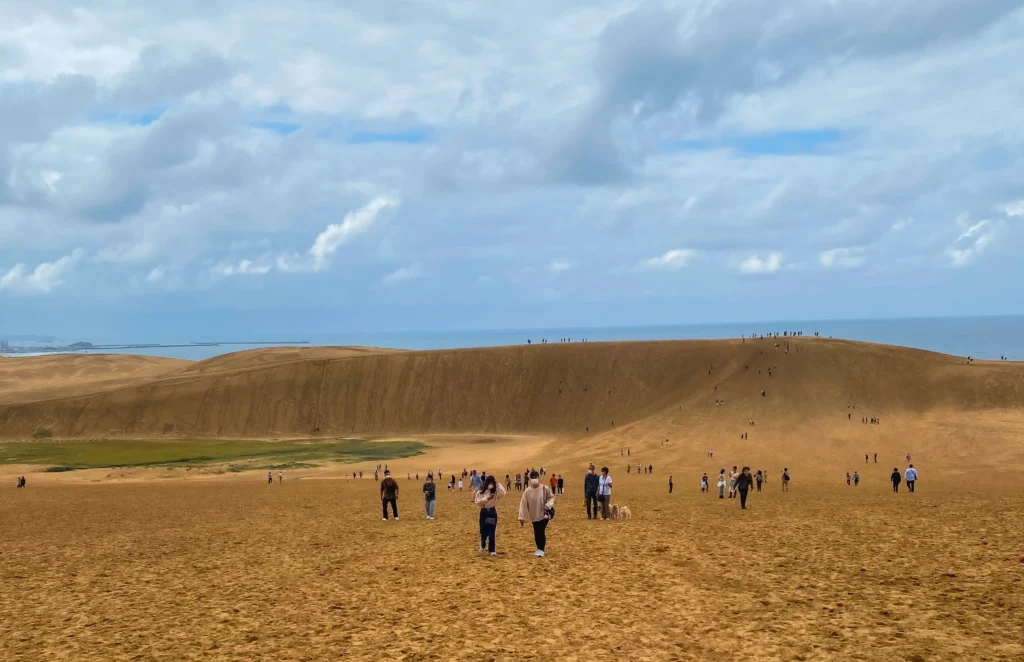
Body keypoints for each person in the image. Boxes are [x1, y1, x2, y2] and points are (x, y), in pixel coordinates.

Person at [519, 471, 555, 557]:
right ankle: (538, 548)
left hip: (544, 515)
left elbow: (551, 497)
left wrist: (548, 505)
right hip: (534, 515)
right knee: (536, 531)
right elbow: (523, 504)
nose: (534, 479)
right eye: (532, 477)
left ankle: (541, 549)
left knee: (540, 530)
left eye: (535, 477)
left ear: (538, 477)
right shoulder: (527, 491)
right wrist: (521, 517)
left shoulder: (544, 488)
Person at [475, 475, 506, 556]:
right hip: (484, 512)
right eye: (490, 483)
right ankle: (482, 545)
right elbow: (478, 502)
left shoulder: (495, 492)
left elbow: (503, 492)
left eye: (492, 483)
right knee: (483, 531)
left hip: (492, 512)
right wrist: (487, 498)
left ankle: (491, 550)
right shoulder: (481, 492)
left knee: (492, 531)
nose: (491, 485)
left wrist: (498, 483)